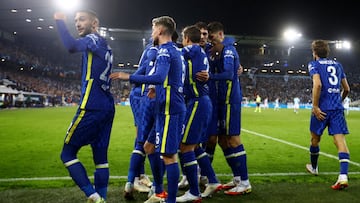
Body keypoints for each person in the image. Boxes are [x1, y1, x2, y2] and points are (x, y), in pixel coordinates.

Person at [110, 16, 186, 203]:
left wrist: (128, 77)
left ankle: (170, 200)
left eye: (153, 28)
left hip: (171, 109)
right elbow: (165, 79)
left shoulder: (165, 51)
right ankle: (159, 190)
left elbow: (159, 77)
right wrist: (154, 89)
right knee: (148, 146)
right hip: (163, 106)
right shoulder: (171, 51)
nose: (152, 32)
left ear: (160, 31)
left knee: (168, 156)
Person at [54, 10, 115, 203]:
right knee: (101, 159)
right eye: (75, 21)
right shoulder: (106, 46)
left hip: (92, 105)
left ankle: (94, 196)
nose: (78, 23)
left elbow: (71, 46)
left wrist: (60, 22)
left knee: (67, 153)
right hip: (107, 106)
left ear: (94, 23)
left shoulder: (93, 40)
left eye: (82, 19)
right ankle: (102, 198)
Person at [176, 25, 221, 202]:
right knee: (194, 146)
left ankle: (194, 191)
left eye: (182, 37)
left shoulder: (193, 49)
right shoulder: (198, 52)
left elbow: (175, 54)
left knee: (185, 146)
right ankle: (213, 180)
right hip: (199, 102)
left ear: (186, 37)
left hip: (197, 102)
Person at [206, 21, 251, 195]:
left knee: (233, 139)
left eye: (213, 37)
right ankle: (238, 178)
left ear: (221, 35)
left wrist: (208, 76)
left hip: (230, 101)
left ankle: (245, 182)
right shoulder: (215, 51)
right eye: (209, 38)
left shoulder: (229, 50)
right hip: (219, 101)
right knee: (223, 140)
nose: (211, 41)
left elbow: (229, 74)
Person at [305, 40, 351, 190]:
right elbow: (347, 89)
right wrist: (339, 101)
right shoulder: (338, 65)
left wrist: (315, 106)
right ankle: (343, 177)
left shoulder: (314, 64)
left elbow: (317, 84)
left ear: (315, 53)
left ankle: (314, 167)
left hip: (322, 109)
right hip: (337, 108)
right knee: (340, 142)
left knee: (315, 139)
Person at [122, 40, 158, 200]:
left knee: (142, 140)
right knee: (151, 140)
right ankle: (149, 183)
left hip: (141, 94)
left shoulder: (151, 50)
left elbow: (137, 75)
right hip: (147, 96)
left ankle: (135, 179)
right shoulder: (160, 50)